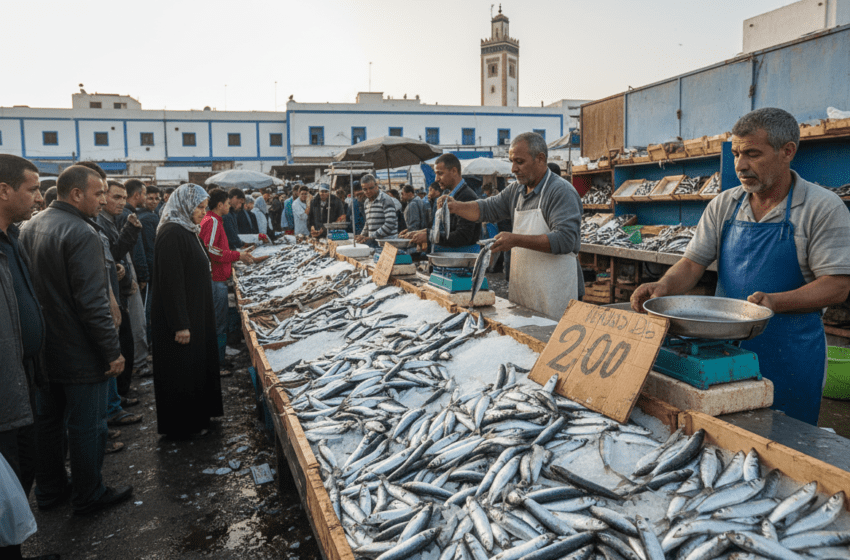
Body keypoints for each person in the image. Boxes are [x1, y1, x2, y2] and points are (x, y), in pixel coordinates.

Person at [631, 108, 850, 425]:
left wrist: (775, 302)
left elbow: (837, 284)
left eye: (752, 154)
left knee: (785, 445)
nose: (740, 165)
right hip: (722, 350)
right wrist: (664, 286)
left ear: (787, 151)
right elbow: (693, 263)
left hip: (790, 354)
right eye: (736, 154)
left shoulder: (822, 207)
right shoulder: (725, 204)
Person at [20, 165, 132, 517]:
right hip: (79, 350)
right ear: (76, 195)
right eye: (98, 193)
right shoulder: (81, 232)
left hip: (45, 350)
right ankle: (89, 492)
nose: (103, 200)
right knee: (87, 425)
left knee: (49, 424)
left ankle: (51, 489)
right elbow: (92, 302)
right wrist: (111, 351)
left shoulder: (31, 226)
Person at [441, 132, 583, 319]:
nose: (513, 168)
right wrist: (456, 207)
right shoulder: (517, 190)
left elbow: (566, 240)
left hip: (556, 294)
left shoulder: (560, 192)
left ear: (540, 159)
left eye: (520, 162)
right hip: (526, 292)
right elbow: (487, 208)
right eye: (511, 162)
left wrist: (515, 239)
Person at [0, 156, 62, 560]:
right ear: (3, 191)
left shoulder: (12, 238)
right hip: (5, 397)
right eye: (32, 189)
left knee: (19, 483)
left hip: (23, 381)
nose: (39, 197)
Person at [151, 184, 224, 438]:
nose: (203, 214)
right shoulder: (171, 233)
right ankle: (183, 426)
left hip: (195, 311)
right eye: (200, 208)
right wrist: (180, 323)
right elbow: (171, 282)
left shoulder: (187, 229)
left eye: (205, 208)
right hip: (181, 317)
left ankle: (199, 417)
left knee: (194, 367)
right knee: (182, 370)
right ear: (184, 205)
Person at [97, 180, 142, 400]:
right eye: (116, 197)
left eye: (124, 198)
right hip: (110, 298)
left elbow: (117, 257)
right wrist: (130, 231)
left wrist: (126, 272)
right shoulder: (99, 222)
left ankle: (119, 395)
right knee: (120, 346)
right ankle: (116, 399)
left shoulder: (112, 221)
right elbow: (112, 255)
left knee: (126, 344)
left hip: (120, 291)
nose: (122, 202)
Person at [199, 188, 254, 363]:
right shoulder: (213, 221)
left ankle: (218, 358)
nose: (230, 206)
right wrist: (238, 255)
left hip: (217, 277)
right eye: (228, 204)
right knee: (218, 324)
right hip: (215, 279)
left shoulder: (214, 220)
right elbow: (212, 251)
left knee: (218, 322)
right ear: (220, 204)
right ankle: (218, 362)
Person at [406, 154, 480, 252]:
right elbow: (444, 230)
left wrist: (429, 236)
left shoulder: (466, 196)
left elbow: (463, 236)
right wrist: (422, 232)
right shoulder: (446, 194)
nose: (436, 179)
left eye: (440, 173)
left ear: (454, 171)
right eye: (436, 174)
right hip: (445, 261)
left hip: (459, 263)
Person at [118, 179, 150, 377]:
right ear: (137, 194)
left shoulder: (121, 215)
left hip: (127, 273)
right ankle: (139, 363)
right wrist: (143, 274)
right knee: (137, 321)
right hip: (129, 276)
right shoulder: (127, 216)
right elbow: (135, 249)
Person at [355, 174, 397, 246]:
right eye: (365, 189)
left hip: (388, 244)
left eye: (371, 188)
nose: (368, 191)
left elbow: (390, 224)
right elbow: (368, 222)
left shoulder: (385, 199)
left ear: (376, 186)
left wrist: (371, 237)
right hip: (374, 243)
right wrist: (362, 235)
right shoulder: (366, 202)